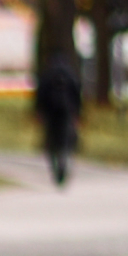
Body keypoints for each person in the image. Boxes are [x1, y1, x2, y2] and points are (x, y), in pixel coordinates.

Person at [35, 53, 82, 188]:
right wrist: (77, 113)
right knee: (65, 137)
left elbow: (40, 93)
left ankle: (55, 163)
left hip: (50, 111)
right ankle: (63, 159)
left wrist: (39, 111)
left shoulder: (47, 74)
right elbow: (77, 93)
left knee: (51, 138)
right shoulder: (70, 74)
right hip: (66, 110)